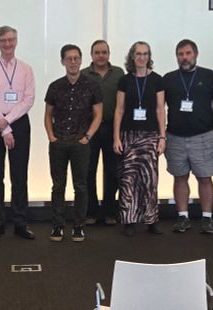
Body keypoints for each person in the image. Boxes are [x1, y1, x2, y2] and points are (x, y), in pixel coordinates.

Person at [0, 25, 36, 240]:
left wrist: (8, 123)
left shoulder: (26, 68)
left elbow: (28, 99)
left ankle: (20, 222)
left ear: (16, 41)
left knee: (19, 175)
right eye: (3, 40)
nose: (7, 44)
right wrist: (2, 125)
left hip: (19, 123)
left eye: (11, 40)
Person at [163, 39, 213, 234]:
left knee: (204, 178)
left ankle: (207, 218)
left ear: (195, 54)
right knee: (180, 177)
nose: (184, 57)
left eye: (188, 53)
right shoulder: (169, 79)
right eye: (180, 54)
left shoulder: (209, 76)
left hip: (204, 136)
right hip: (175, 137)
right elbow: (159, 108)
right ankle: (183, 216)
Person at [44, 44, 102, 242]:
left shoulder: (92, 85)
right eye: (69, 58)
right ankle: (57, 226)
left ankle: (79, 226)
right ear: (62, 61)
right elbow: (48, 115)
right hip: (59, 142)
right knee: (58, 186)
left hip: (80, 143)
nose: (73, 62)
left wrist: (87, 137)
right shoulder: (55, 86)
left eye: (76, 58)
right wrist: (51, 137)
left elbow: (98, 114)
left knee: (81, 186)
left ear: (81, 60)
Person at [114, 41, 166, 237]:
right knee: (129, 179)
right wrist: (116, 137)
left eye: (145, 54)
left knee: (150, 180)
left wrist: (162, 137)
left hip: (151, 135)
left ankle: (151, 220)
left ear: (149, 56)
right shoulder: (125, 80)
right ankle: (129, 220)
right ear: (132, 57)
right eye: (138, 54)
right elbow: (119, 110)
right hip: (129, 135)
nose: (142, 57)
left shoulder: (157, 80)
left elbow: (160, 110)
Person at [81, 40, 124, 226]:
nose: (101, 55)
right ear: (91, 55)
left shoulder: (119, 74)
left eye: (104, 52)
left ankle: (109, 212)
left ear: (109, 54)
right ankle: (91, 212)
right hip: (89, 130)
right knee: (88, 171)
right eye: (97, 52)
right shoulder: (83, 74)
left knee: (112, 172)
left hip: (112, 128)